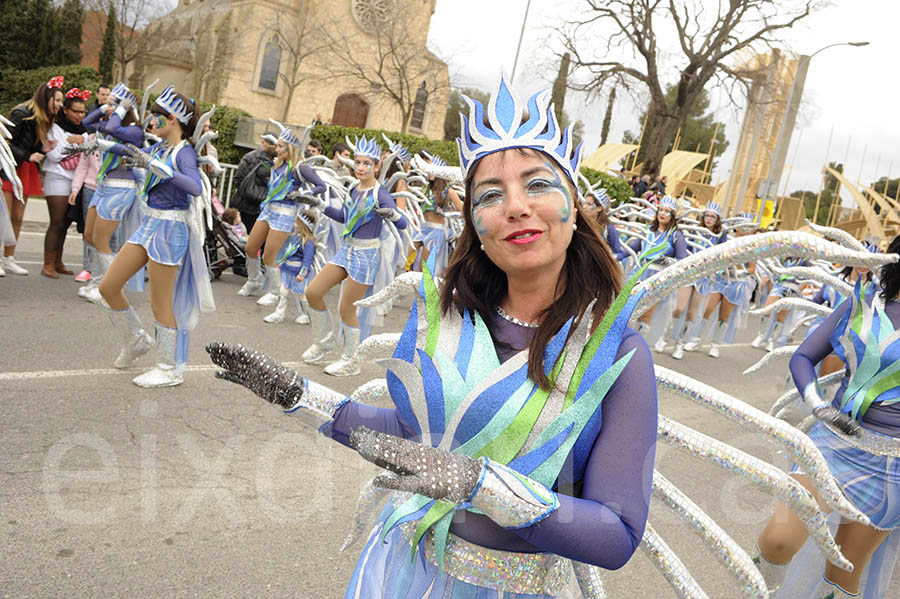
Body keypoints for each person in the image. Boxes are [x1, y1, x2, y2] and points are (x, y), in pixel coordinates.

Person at [207, 76, 657, 596]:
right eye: (491, 195)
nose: (515, 206)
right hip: (398, 570)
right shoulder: (449, 318)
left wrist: (480, 485)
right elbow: (413, 438)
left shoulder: (616, 352)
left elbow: (617, 532)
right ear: (477, 227)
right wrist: (305, 399)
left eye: (537, 184)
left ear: (574, 208)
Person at [754, 233, 900, 599]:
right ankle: (764, 591)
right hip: (834, 445)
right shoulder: (863, 304)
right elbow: (803, 357)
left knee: (841, 575)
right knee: (777, 542)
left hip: (893, 469)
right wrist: (818, 405)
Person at [97, 84, 213, 388]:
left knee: (160, 303)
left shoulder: (183, 153)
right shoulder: (160, 148)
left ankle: (169, 368)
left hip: (170, 230)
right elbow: (132, 152)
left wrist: (156, 166)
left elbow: (195, 187)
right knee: (108, 286)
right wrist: (95, 145)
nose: (150, 121)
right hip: (149, 226)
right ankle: (136, 339)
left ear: (173, 119)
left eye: (157, 116)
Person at [299, 135, 408, 376]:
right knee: (313, 292)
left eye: (366, 163)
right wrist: (317, 203)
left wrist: (391, 214)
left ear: (376, 166)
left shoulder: (380, 193)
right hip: (346, 250)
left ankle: (351, 360)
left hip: (366, 255)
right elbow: (343, 217)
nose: (360, 167)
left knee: (347, 307)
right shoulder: (353, 188)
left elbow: (403, 223)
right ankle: (324, 341)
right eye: (357, 162)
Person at [237, 126, 326, 306]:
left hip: (285, 213)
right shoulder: (278, 164)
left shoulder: (300, 167)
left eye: (281, 147)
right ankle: (254, 279)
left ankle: (275, 292)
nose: (277, 150)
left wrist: (304, 193)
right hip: (269, 209)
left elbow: (320, 186)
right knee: (251, 247)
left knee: (270, 255)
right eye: (277, 146)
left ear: (290, 149)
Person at [74, 83, 144, 303]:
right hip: (103, 185)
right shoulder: (108, 122)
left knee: (103, 240)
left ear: (126, 107)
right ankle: (96, 281)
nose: (110, 107)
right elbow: (86, 122)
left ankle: (110, 288)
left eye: (114, 103)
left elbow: (113, 130)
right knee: (90, 236)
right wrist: (105, 108)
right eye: (109, 102)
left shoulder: (134, 130)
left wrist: (122, 109)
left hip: (120, 187)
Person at [1, 76, 64, 275]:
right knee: (3, 216)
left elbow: (33, 149)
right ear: (47, 98)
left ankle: (8, 258)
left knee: (17, 217)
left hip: (26, 169)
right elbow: (6, 142)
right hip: (9, 168)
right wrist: (29, 155)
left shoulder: (44, 119)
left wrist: (43, 149)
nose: (60, 105)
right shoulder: (21, 113)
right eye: (58, 100)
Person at [666, 202, 727, 359]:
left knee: (692, 313)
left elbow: (723, 257)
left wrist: (716, 271)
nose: (709, 219)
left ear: (717, 219)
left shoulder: (720, 237)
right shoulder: (695, 231)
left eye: (713, 216)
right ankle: (666, 334)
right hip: (689, 273)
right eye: (707, 215)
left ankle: (679, 344)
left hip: (705, 278)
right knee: (679, 308)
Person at [40, 87, 89, 278]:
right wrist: (74, 143)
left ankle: (58, 262)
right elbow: (54, 155)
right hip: (57, 178)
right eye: (75, 111)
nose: (80, 115)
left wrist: (76, 142)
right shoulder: (54, 128)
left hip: (75, 181)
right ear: (66, 110)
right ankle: (47, 264)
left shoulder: (85, 131)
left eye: (83, 112)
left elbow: (89, 152)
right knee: (57, 222)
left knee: (66, 222)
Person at [409, 154, 462, 275]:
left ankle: (428, 293)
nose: (429, 172)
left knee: (426, 270)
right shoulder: (426, 188)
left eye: (433, 169)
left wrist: (446, 214)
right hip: (421, 228)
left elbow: (462, 209)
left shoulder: (448, 191)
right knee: (402, 258)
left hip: (435, 231)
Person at [263, 210, 316, 325]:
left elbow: (307, 260)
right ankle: (279, 313)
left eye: (297, 223)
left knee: (300, 295)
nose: (294, 224)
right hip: (288, 270)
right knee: (283, 291)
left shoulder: (308, 242)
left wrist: (302, 274)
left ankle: (308, 315)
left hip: (297, 272)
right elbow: (289, 252)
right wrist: (282, 263)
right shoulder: (295, 237)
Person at [230, 134, 276, 233]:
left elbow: (238, 178)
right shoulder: (274, 166)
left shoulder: (249, 157)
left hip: (241, 202)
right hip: (258, 208)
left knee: (238, 235)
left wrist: (244, 190)